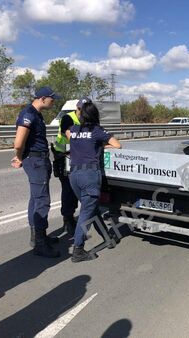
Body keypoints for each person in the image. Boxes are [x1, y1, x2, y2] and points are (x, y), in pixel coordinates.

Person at [67, 102, 121, 262]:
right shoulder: (97, 131)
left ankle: (108, 239)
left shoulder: (74, 130)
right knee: (86, 212)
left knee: (91, 208)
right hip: (89, 175)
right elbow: (117, 145)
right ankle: (78, 250)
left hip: (74, 175)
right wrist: (102, 147)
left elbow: (72, 140)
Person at [11, 87, 61, 258]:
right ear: (43, 98)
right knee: (42, 200)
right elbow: (18, 143)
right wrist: (18, 157)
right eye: (52, 99)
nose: (53, 102)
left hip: (39, 159)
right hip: (35, 161)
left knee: (35, 198)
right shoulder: (28, 114)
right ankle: (40, 243)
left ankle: (38, 237)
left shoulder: (36, 114)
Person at [51, 97, 92, 235]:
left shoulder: (87, 119)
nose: (83, 111)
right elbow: (72, 138)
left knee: (77, 188)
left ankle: (74, 215)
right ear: (77, 107)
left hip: (78, 158)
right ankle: (67, 219)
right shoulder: (68, 118)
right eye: (81, 109)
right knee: (68, 189)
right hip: (65, 157)